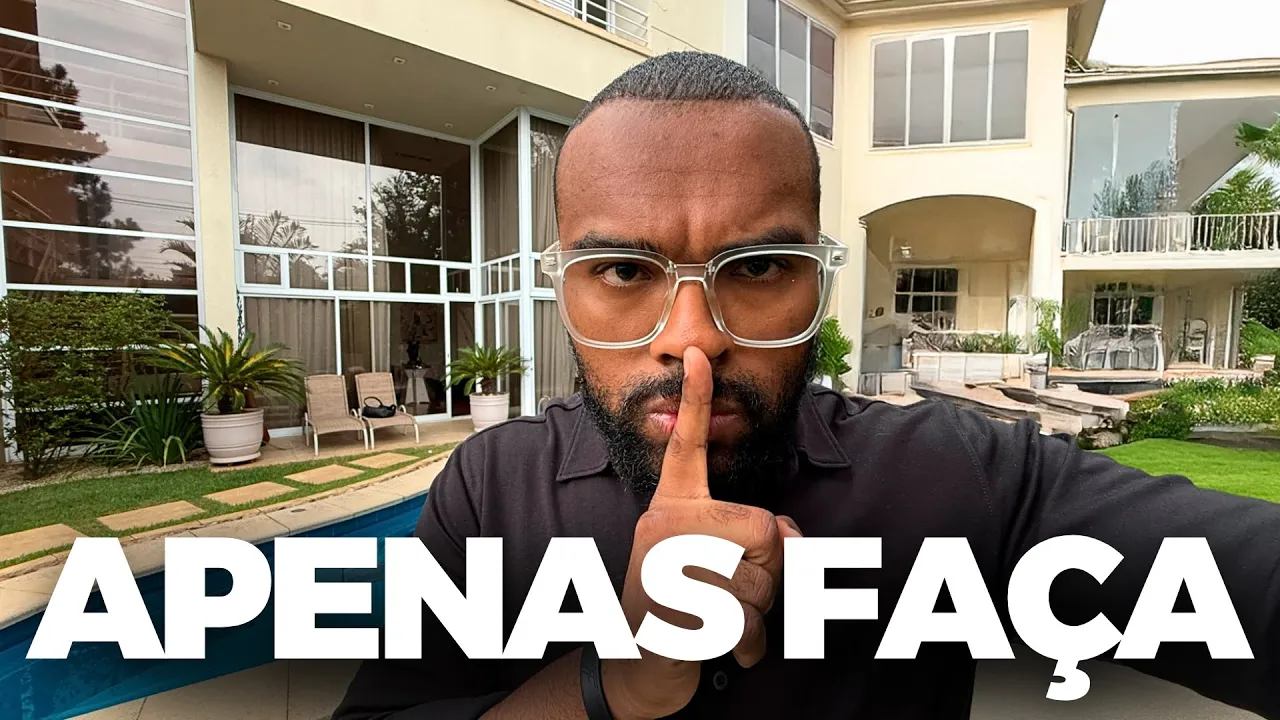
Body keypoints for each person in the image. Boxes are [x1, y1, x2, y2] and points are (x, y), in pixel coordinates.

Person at [333, 52, 1280, 720]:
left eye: (757, 268)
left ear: (818, 283)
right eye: (623, 271)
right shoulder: (493, 491)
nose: (692, 339)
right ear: (565, 288)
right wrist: (610, 681)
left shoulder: (956, 477)